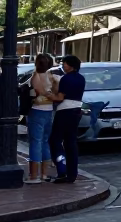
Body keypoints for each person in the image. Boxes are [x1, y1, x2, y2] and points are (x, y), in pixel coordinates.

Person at [48, 55, 85, 184]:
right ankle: (72, 173)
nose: (63, 65)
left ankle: (62, 170)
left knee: (55, 141)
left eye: (65, 63)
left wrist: (47, 94)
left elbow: (59, 97)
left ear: (71, 65)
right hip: (76, 111)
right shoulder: (81, 78)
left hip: (64, 111)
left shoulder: (65, 79)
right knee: (71, 142)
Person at [26, 53, 58, 183]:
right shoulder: (52, 77)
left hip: (37, 110)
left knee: (35, 142)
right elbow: (57, 92)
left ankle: (34, 176)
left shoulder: (35, 76)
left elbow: (36, 90)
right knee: (45, 141)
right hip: (49, 110)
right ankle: (44, 174)